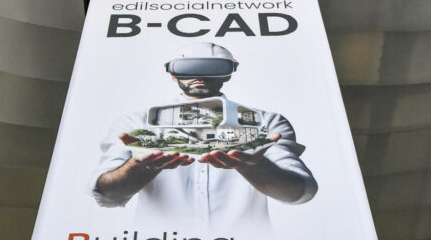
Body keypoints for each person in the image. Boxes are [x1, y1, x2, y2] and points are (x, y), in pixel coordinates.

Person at [90, 42, 317, 227]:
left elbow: (299, 192)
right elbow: (106, 196)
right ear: (173, 74)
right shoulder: (134, 124)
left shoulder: (267, 123)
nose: (199, 75)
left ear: (228, 74)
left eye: (212, 68)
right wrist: (139, 166)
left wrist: (253, 166)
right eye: (188, 68)